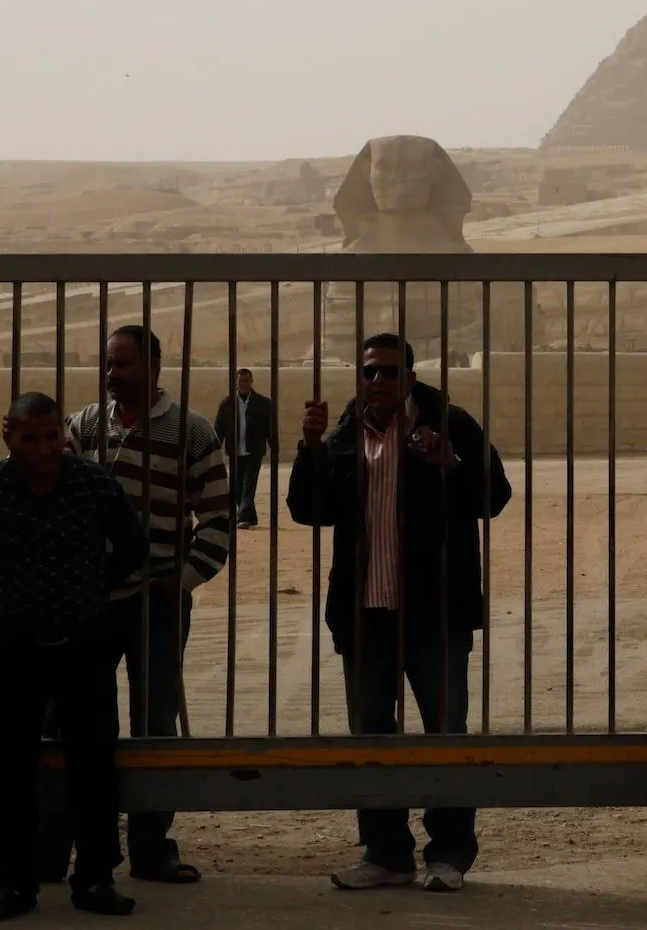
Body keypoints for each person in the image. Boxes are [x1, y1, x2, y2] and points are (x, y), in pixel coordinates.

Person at [288, 332, 513, 894]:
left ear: (410, 378)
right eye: (369, 372)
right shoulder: (342, 433)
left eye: (389, 372)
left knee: (446, 735)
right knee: (371, 738)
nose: (377, 382)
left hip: (436, 615)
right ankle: (386, 853)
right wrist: (311, 447)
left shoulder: (451, 422)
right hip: (366, 614)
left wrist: (451, 464)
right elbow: (307, 510)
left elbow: (496, 497)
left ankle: (450, 854)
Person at [0, 393, 147, 922]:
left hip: (84, 644)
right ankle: (16, 881)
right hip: (17, 645)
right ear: (10, 439)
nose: (43, 448)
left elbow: (131, 547)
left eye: (50, 436)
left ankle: (95, 878)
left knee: (94, 762)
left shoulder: (92, 484)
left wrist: (87, 589)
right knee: (9, 764)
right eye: (30, 438)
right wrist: (19, 588)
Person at [59, 324, 231, 885]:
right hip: (90, 601)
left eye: (123, 365)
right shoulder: (85, 426)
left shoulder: (192, 432)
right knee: (72, 720)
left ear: (155, 366)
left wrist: (181, 580)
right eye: (108, 365)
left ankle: (152, 849)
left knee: (154, 722)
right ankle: (53, 847)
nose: (112, 375)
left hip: (157, 602)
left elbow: (218, 519)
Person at [213, 368, 276, 529]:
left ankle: (244, 518)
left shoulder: (264, 403)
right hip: (234, 451)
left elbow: (270, 429)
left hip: (254, 450)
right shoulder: (227, 404)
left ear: (251, 381)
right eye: (240, 381)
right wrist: (214, 448)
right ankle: (249, 517)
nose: (243, 384)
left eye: (246, 380)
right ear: (236, 382)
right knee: (236, 486)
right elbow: (219, 428)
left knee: (249, 485)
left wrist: (274, 448)